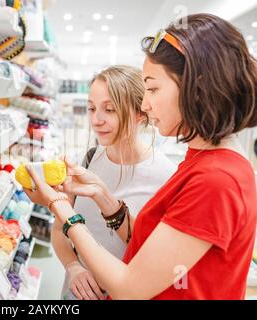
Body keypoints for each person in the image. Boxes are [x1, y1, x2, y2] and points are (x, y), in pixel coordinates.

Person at [25, 13, 257, 299]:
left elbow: (129, 287)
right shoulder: (201, 160)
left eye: (153, 88)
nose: (146, 104)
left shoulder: (217, 179)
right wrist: (103, 195)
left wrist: (60, 205)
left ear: (197, 87)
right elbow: (148, 246)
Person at [53, 65, 176, 300]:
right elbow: (59, 230)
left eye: (109, 110)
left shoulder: (166, 176)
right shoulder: (89, 159)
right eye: (91, 108)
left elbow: (155, 259)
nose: (96, 120)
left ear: (141, 112)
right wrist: (74, 267)